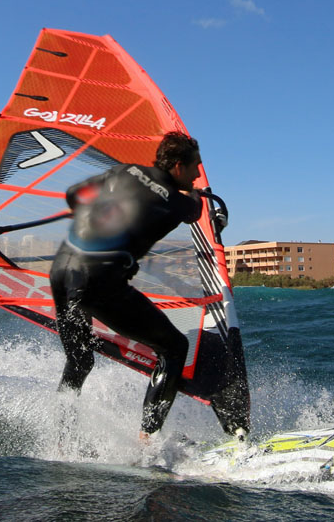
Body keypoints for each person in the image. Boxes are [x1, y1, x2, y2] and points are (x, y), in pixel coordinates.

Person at [48, 131, 212, 436]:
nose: (197, 174)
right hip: (98, 283)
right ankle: (146, 441)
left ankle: (60, 439)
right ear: (178, 166)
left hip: (61, 271)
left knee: (80, 362)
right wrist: (196, 196)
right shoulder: (177, 203)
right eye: (195, 167)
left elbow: (74, 195)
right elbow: (195, 212)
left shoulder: (124, 171)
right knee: (176, 347)